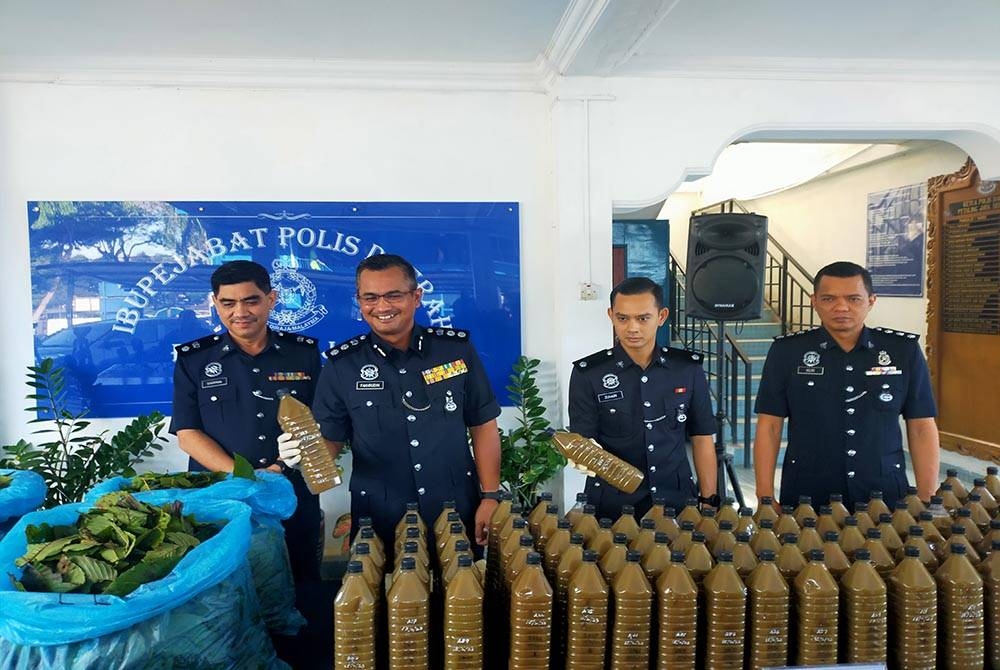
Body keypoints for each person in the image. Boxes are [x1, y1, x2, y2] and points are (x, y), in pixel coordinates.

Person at [280, 253, 502, 561]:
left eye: (393, 295)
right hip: (379, 516)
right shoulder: (342, 365)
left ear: (417, 297)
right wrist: (301, 455)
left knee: (460, 599)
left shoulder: (456, 351)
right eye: (370, 297)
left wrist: (490, 496)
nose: (382, 307)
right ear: (359, 301)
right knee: (383, 604)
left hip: (454, 508)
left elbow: (483, 424)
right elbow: (330, 438)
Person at [170, 260, 323, 581]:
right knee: (226, 589)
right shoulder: (194, 359)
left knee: (300, 583)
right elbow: (187, 433)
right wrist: (245, 477)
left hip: (290, 492)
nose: (240, 312)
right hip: (222, 497)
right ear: (215, 303)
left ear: (271, 299)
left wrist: (278, 469)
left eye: (251, 300)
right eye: (228, 303)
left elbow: (319, 422)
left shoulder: (304, 354)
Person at [753, 260, 940, 510]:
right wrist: (765, 496)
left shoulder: (902, 351)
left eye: (854, 299)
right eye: (829, 299)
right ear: (814, 301)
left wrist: (928, 497)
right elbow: (770, 427)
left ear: (871, 301)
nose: (842, 307)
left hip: (884, 492)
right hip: (808, 493)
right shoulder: (787, 352)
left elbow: (921, 427)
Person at [567, 277, 718, 520]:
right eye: (623, 318)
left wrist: (709, 501)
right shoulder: (589, 374)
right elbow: (584, 444)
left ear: (661, 316)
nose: (632, 328)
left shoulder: (686, 370)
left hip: (677, 502)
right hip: (612, 507)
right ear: (611, 315)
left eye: (643, 318)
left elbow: (702, 437)